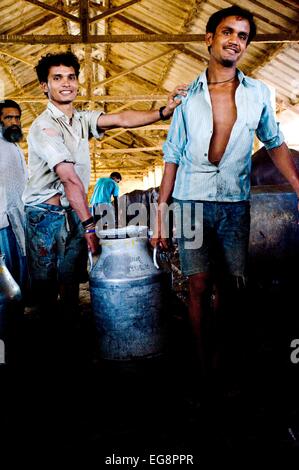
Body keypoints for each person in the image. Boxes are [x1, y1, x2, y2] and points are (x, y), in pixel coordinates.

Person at [151, 6, 299, 391]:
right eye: (227, 32)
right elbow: (171, 157)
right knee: (198, 284)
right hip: (190, 202)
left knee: (233, 285)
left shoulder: (259, 93)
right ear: (209, 38)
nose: (235, 40)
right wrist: (160, 215)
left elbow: (275, 143)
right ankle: (203, 365)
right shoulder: (187, 97)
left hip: (235, 203)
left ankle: (222, 357)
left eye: (242, 36)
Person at [22, 51, 187, 325]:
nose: (66, 84)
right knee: (46, 286)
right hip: (45, 216)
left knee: (71, 279)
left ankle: (72, 330)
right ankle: (48, 341)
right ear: (44, 85)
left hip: (73, 211)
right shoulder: (43, 127)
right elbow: (69, 179)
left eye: (71, 77)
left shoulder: (79, 119)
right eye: (57, 78)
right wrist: (90, 225)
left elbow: (121, 118)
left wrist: (163, 112)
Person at [0, 100, 28, 294]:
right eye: (8, 117)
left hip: (17, 217)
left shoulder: (14, 146)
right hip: (2, 220)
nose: (14, 122)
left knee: (17, 272)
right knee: (6, 277)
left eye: (17, 117)